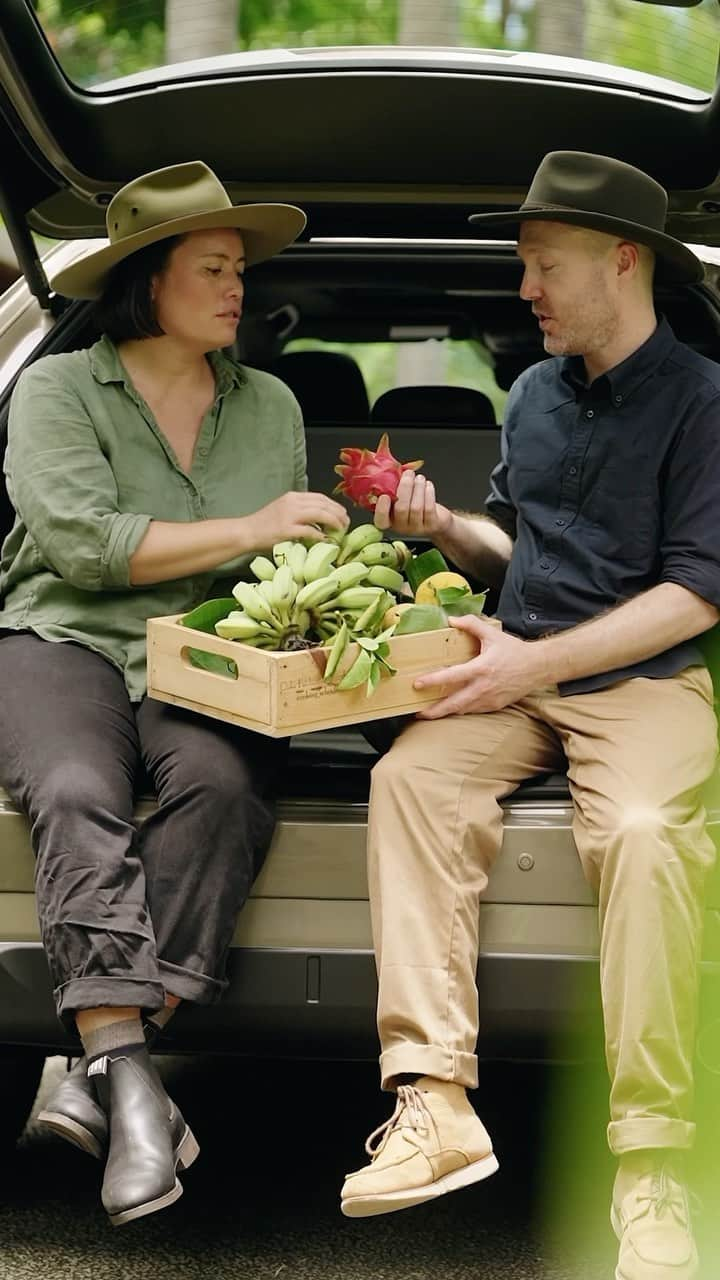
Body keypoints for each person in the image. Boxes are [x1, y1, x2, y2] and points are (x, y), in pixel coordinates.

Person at [341, 151, 720, 1280]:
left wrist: (529, 663)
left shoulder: (705, 401)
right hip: (522, 665)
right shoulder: (533, 394)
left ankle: (653, 1168)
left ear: (623, 260)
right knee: (407, 779)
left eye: (542, 265)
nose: (525, 289)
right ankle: (434, 1103)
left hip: (647, 679)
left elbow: (696, 589)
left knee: (649, 838)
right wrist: (446, 526)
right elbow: (522, 546)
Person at [0, 160, 349, 1226]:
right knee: (69, 786)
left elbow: (265, 580)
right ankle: (138, 1083)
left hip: (208, 650)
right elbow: (80, 545)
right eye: (213, 266)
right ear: (150, 279)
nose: (237, 286)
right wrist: (252, 526)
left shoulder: (273, 403)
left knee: (224, 784)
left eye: (240, 269)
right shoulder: (59, 385)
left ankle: (100, 1062)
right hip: (65, 632)